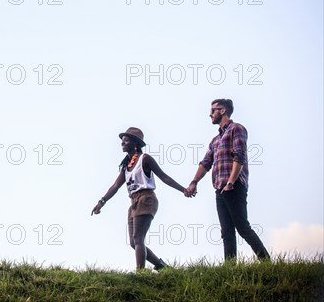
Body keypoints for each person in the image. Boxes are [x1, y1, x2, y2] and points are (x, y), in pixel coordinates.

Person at [91, 127, 187, 271]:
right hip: (134, 202)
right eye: (122, 140)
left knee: (138, 238)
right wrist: (101, 201)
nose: (122, 143)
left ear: (135, 143)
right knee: (133, 242)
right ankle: (161, 266)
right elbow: (115, 186)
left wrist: (184, 190)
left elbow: (164, 177)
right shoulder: (126, 165)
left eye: (126, 140)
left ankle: (140, 273)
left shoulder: (145, 159)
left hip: (146, 199)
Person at [186, 99, 270, 261]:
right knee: (226, 231)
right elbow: (206, 163)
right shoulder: (215, 140)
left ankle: (266, 261)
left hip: (234, 186)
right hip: (220, 188)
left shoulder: (236, 129)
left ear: (223, 111)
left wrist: (231, 182)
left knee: (242, 227)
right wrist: (194, 182)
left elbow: (240, 155)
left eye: (213, 110)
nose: (210, 114)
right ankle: (230, 267)